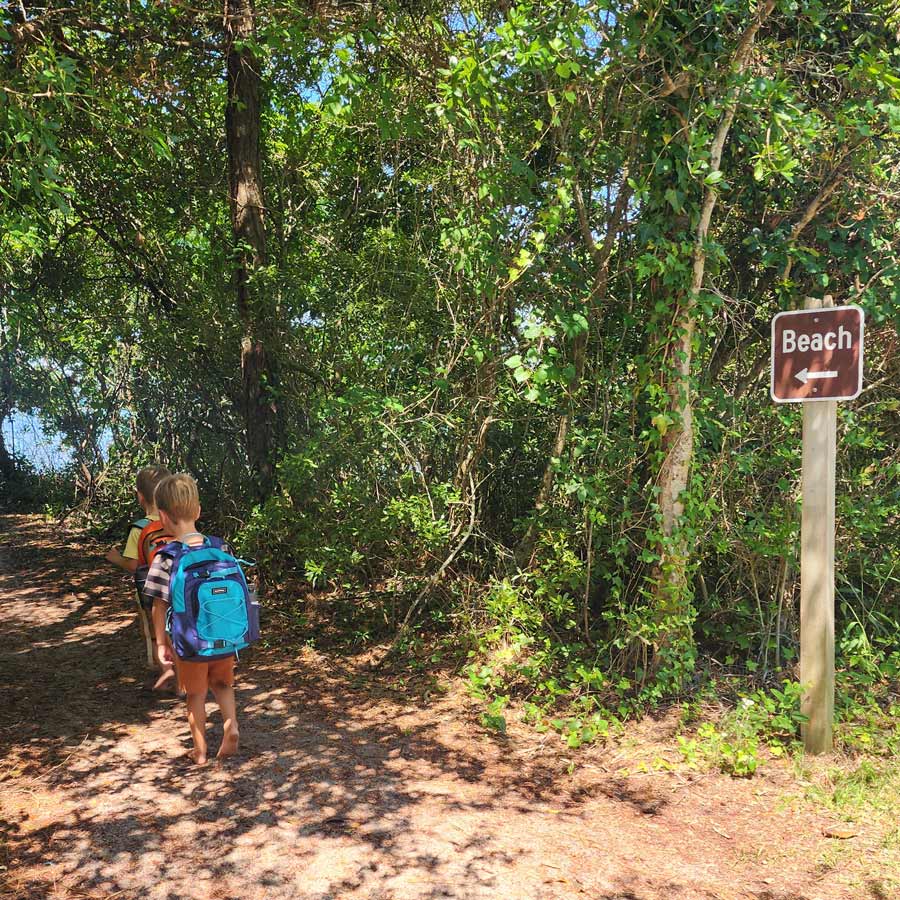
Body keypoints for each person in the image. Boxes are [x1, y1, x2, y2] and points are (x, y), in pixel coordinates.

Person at [146, 473, 240, 765]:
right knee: (223, 685)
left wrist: (161, 643)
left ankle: (199, 752)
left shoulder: (167, 557)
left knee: (195, 695)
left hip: (190, 642)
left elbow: (158, 606)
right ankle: (231, 726)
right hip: (224, 635)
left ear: (162, 516)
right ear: (198, 511)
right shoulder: (220, 547)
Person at [105, 463, 174, 684]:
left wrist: (115, 557)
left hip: (150, 593)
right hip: (177, 588)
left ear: (140, 496)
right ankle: (183, 677)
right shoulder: (176, 522)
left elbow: (135, 565)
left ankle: (167, 672)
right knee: (176, 631)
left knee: (155, 634)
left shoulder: (139, 528)